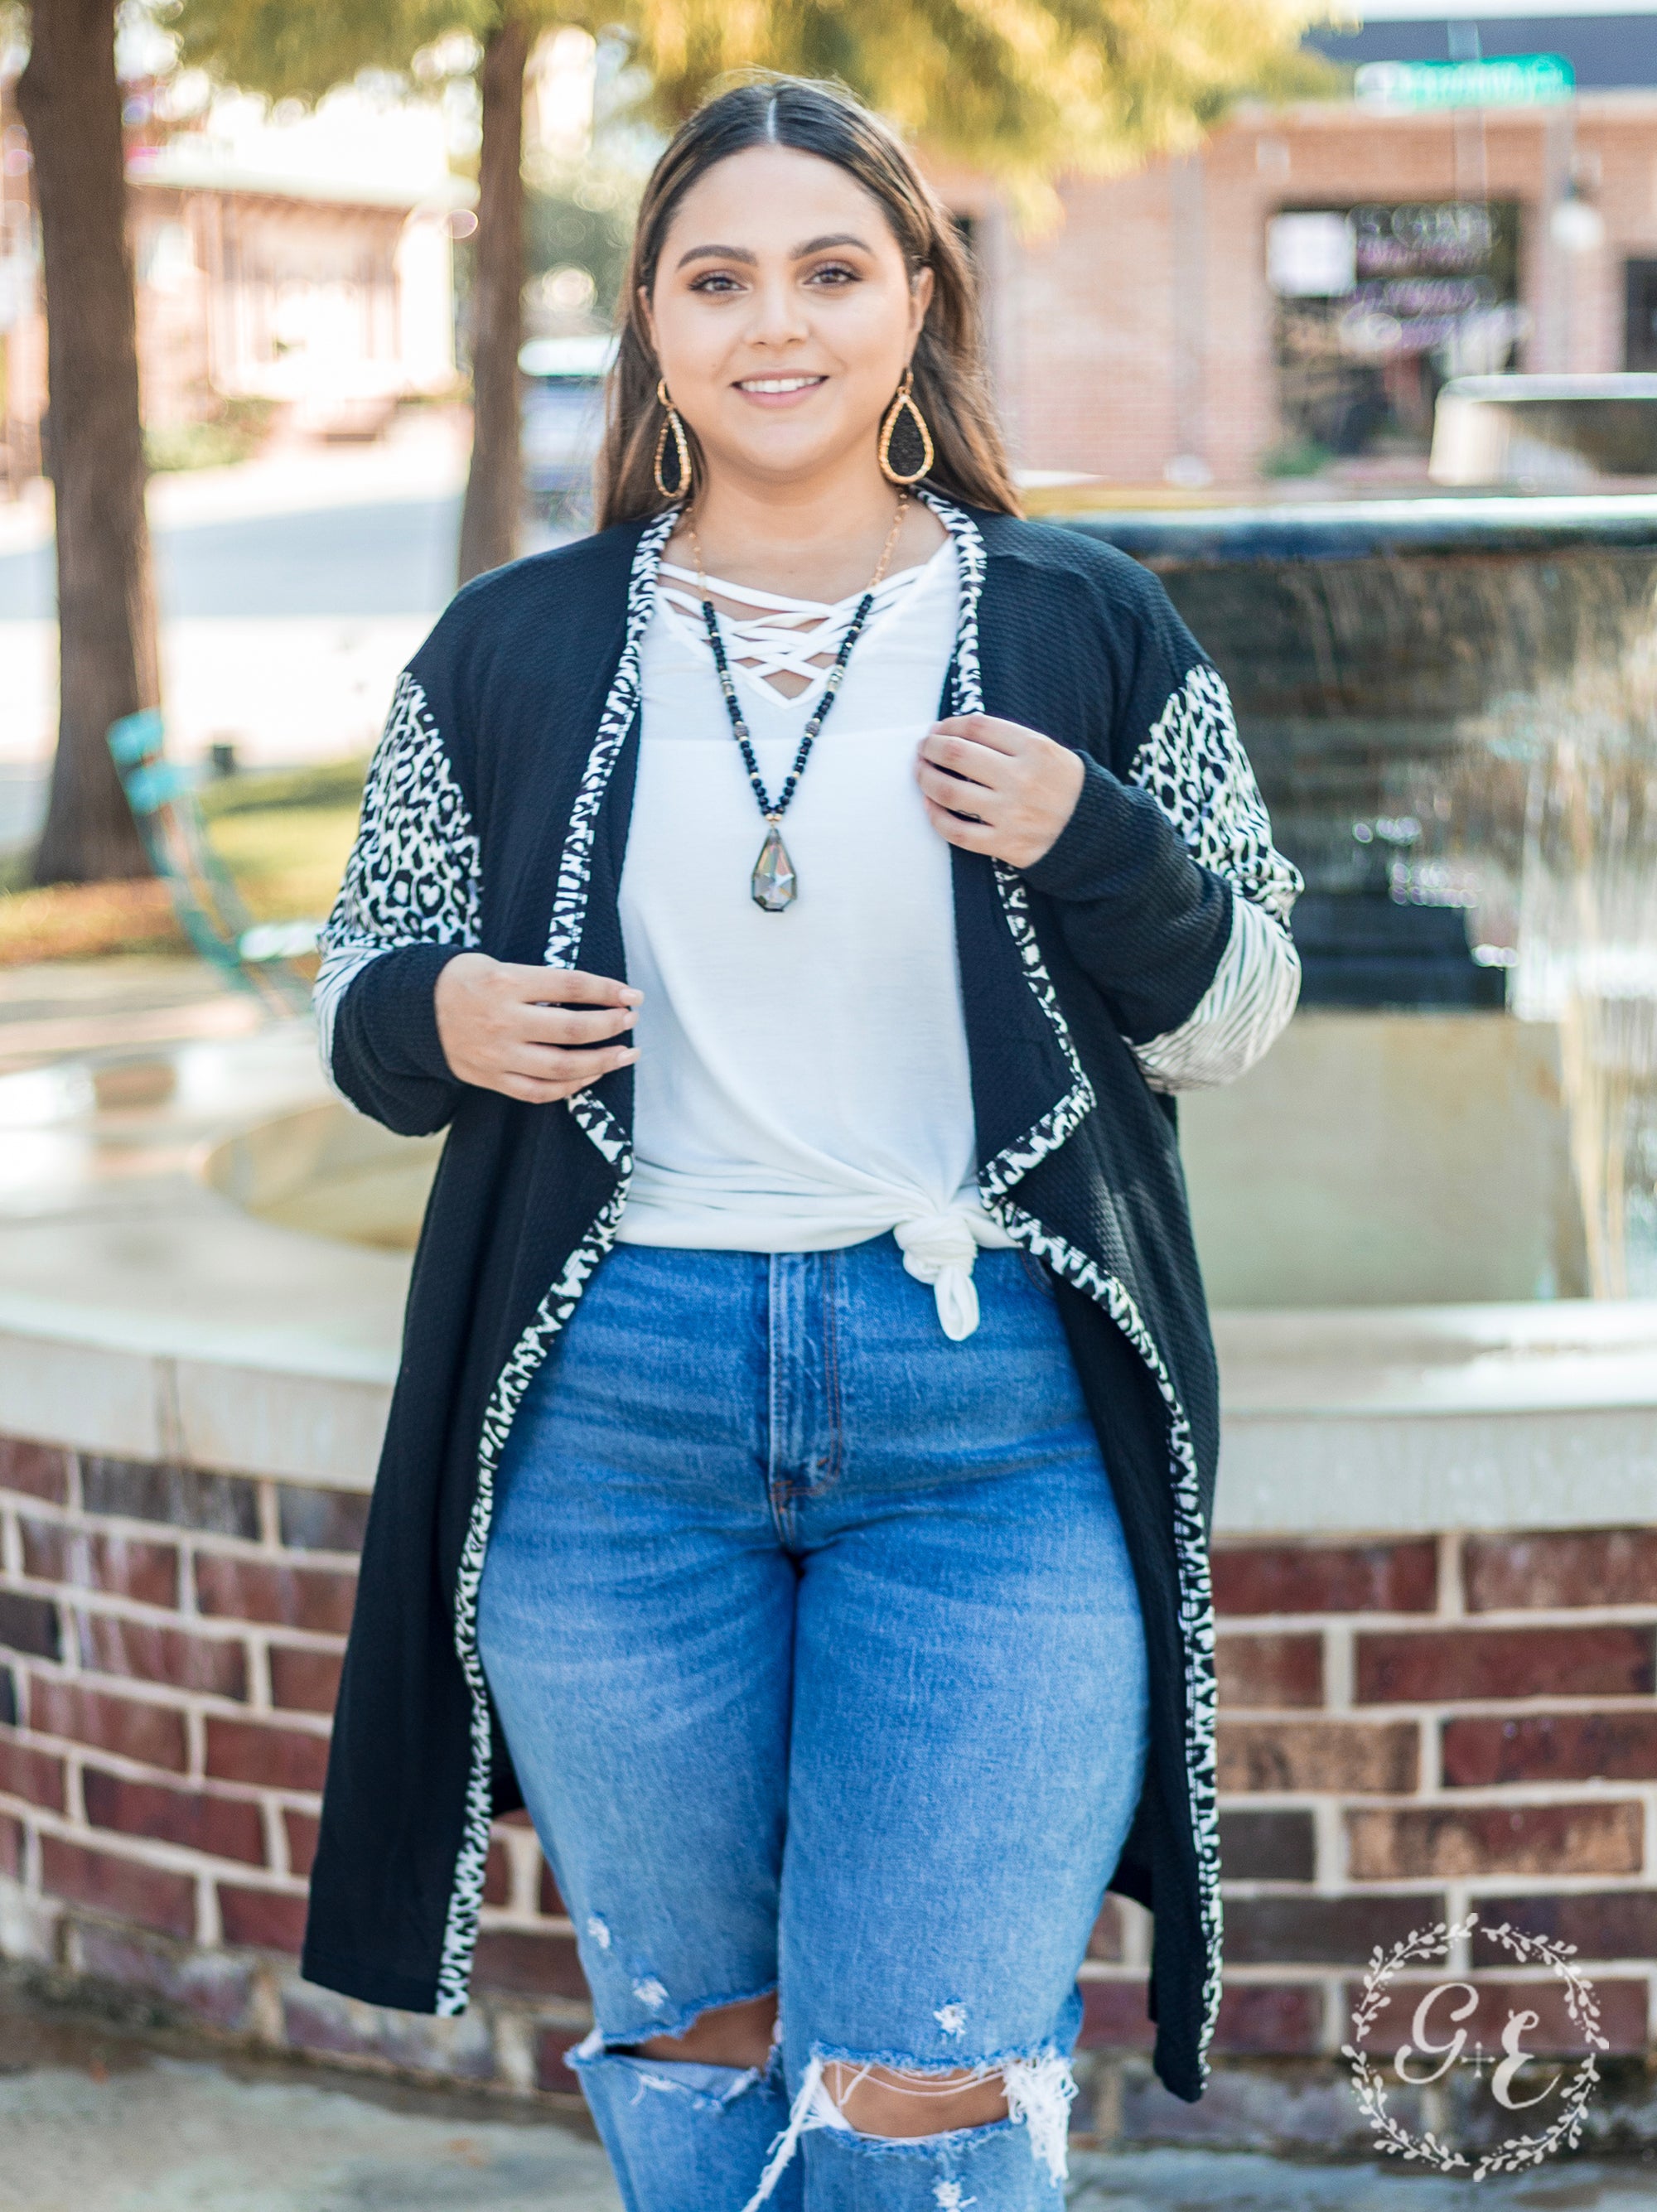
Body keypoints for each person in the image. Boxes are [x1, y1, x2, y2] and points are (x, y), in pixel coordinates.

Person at [303, 75, 1302, 2212]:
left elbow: (1238, 1014)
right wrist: (444, 1015)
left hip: (997, 1427)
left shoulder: (1083, 624)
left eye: (835, 270)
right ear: (653, 322)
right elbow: (360, 994)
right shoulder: (515, 643)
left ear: (917, 299)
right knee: (701, 2044)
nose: (781, 323)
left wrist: (1093, 840)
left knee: (923, 2084)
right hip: (611, 1431)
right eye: (720, 276)